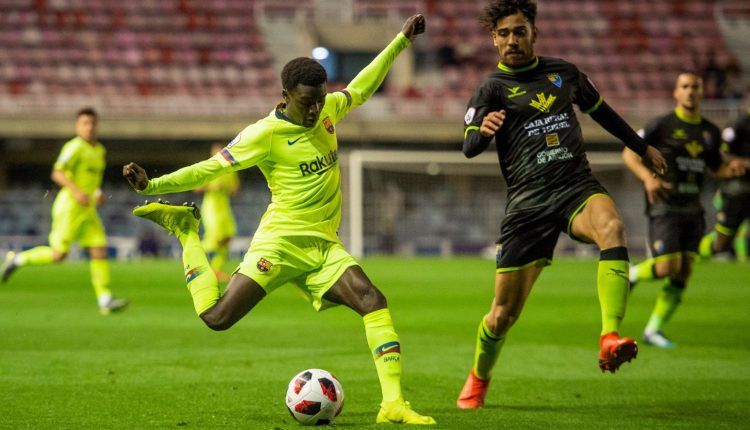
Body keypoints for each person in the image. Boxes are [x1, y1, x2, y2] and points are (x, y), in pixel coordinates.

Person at [123, 15, 435, 426]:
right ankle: (186, 232)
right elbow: (210, 169)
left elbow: (361, 86)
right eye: (307, 102)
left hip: (323, 247)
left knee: (373, 301)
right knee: (216, 319)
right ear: (284, 96)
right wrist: (153, 185)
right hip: (280, 244)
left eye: (320, 100)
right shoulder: (263, 134)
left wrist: (400, 41)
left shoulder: (327, 112)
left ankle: (392, 403)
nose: (315, 110)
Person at [456, 0, 668, 409]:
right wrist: (482, 131)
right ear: (493, 39)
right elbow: (468, 146)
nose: (512, 40)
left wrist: (640, 147)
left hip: (574, 186)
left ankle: (609, 336)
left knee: (613, 228)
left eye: (519, 31)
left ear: (534, 31)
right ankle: (479, 377)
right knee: (502, 315)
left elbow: (602, 111)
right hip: (527, 204)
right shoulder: (491, 88)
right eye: (504, 34)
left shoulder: (564, 73)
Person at [624, 73, 745, 348]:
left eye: (695, 87)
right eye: (685, 87)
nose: (690, 92)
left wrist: (733, 169)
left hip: (693, 209)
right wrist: (647, 178)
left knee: (684, 271)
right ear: (676, 93)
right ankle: (634, 274)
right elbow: (629, 153)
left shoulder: (710, 132)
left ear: (702, 93)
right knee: (668, 266)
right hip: (665, 204)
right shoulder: (661, 125)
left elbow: (717, 169)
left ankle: (653, 330)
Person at [1, 108, 128, 315]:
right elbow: (57, 173)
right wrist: (77, 192)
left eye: (92, 123)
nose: (89, 127)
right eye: (85, 123)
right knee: (58, 255)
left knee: (99, 249)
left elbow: (91, 180)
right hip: (69, 206)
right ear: (77, 127)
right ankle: (16, 259)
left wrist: (97, 192)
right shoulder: (74, 147)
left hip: (88, 209)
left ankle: (105, 300)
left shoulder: (99, 150)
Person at [699, 108, 750, 260]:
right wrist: (745, 163)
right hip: (737, 187)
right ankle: (695, 251)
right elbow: (721, 153)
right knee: (723, 241)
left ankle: (744, 258)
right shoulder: (739, 124)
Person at [196, 143, 241, 282]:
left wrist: (226, 187)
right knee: (216, 238)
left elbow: (236, 189)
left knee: (227, 237)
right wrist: (211, 186)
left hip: (224, 206)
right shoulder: (208, 168)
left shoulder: (230, 170)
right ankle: (191, 254)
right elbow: (197, 188)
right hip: (211, 206)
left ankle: (216, 270)